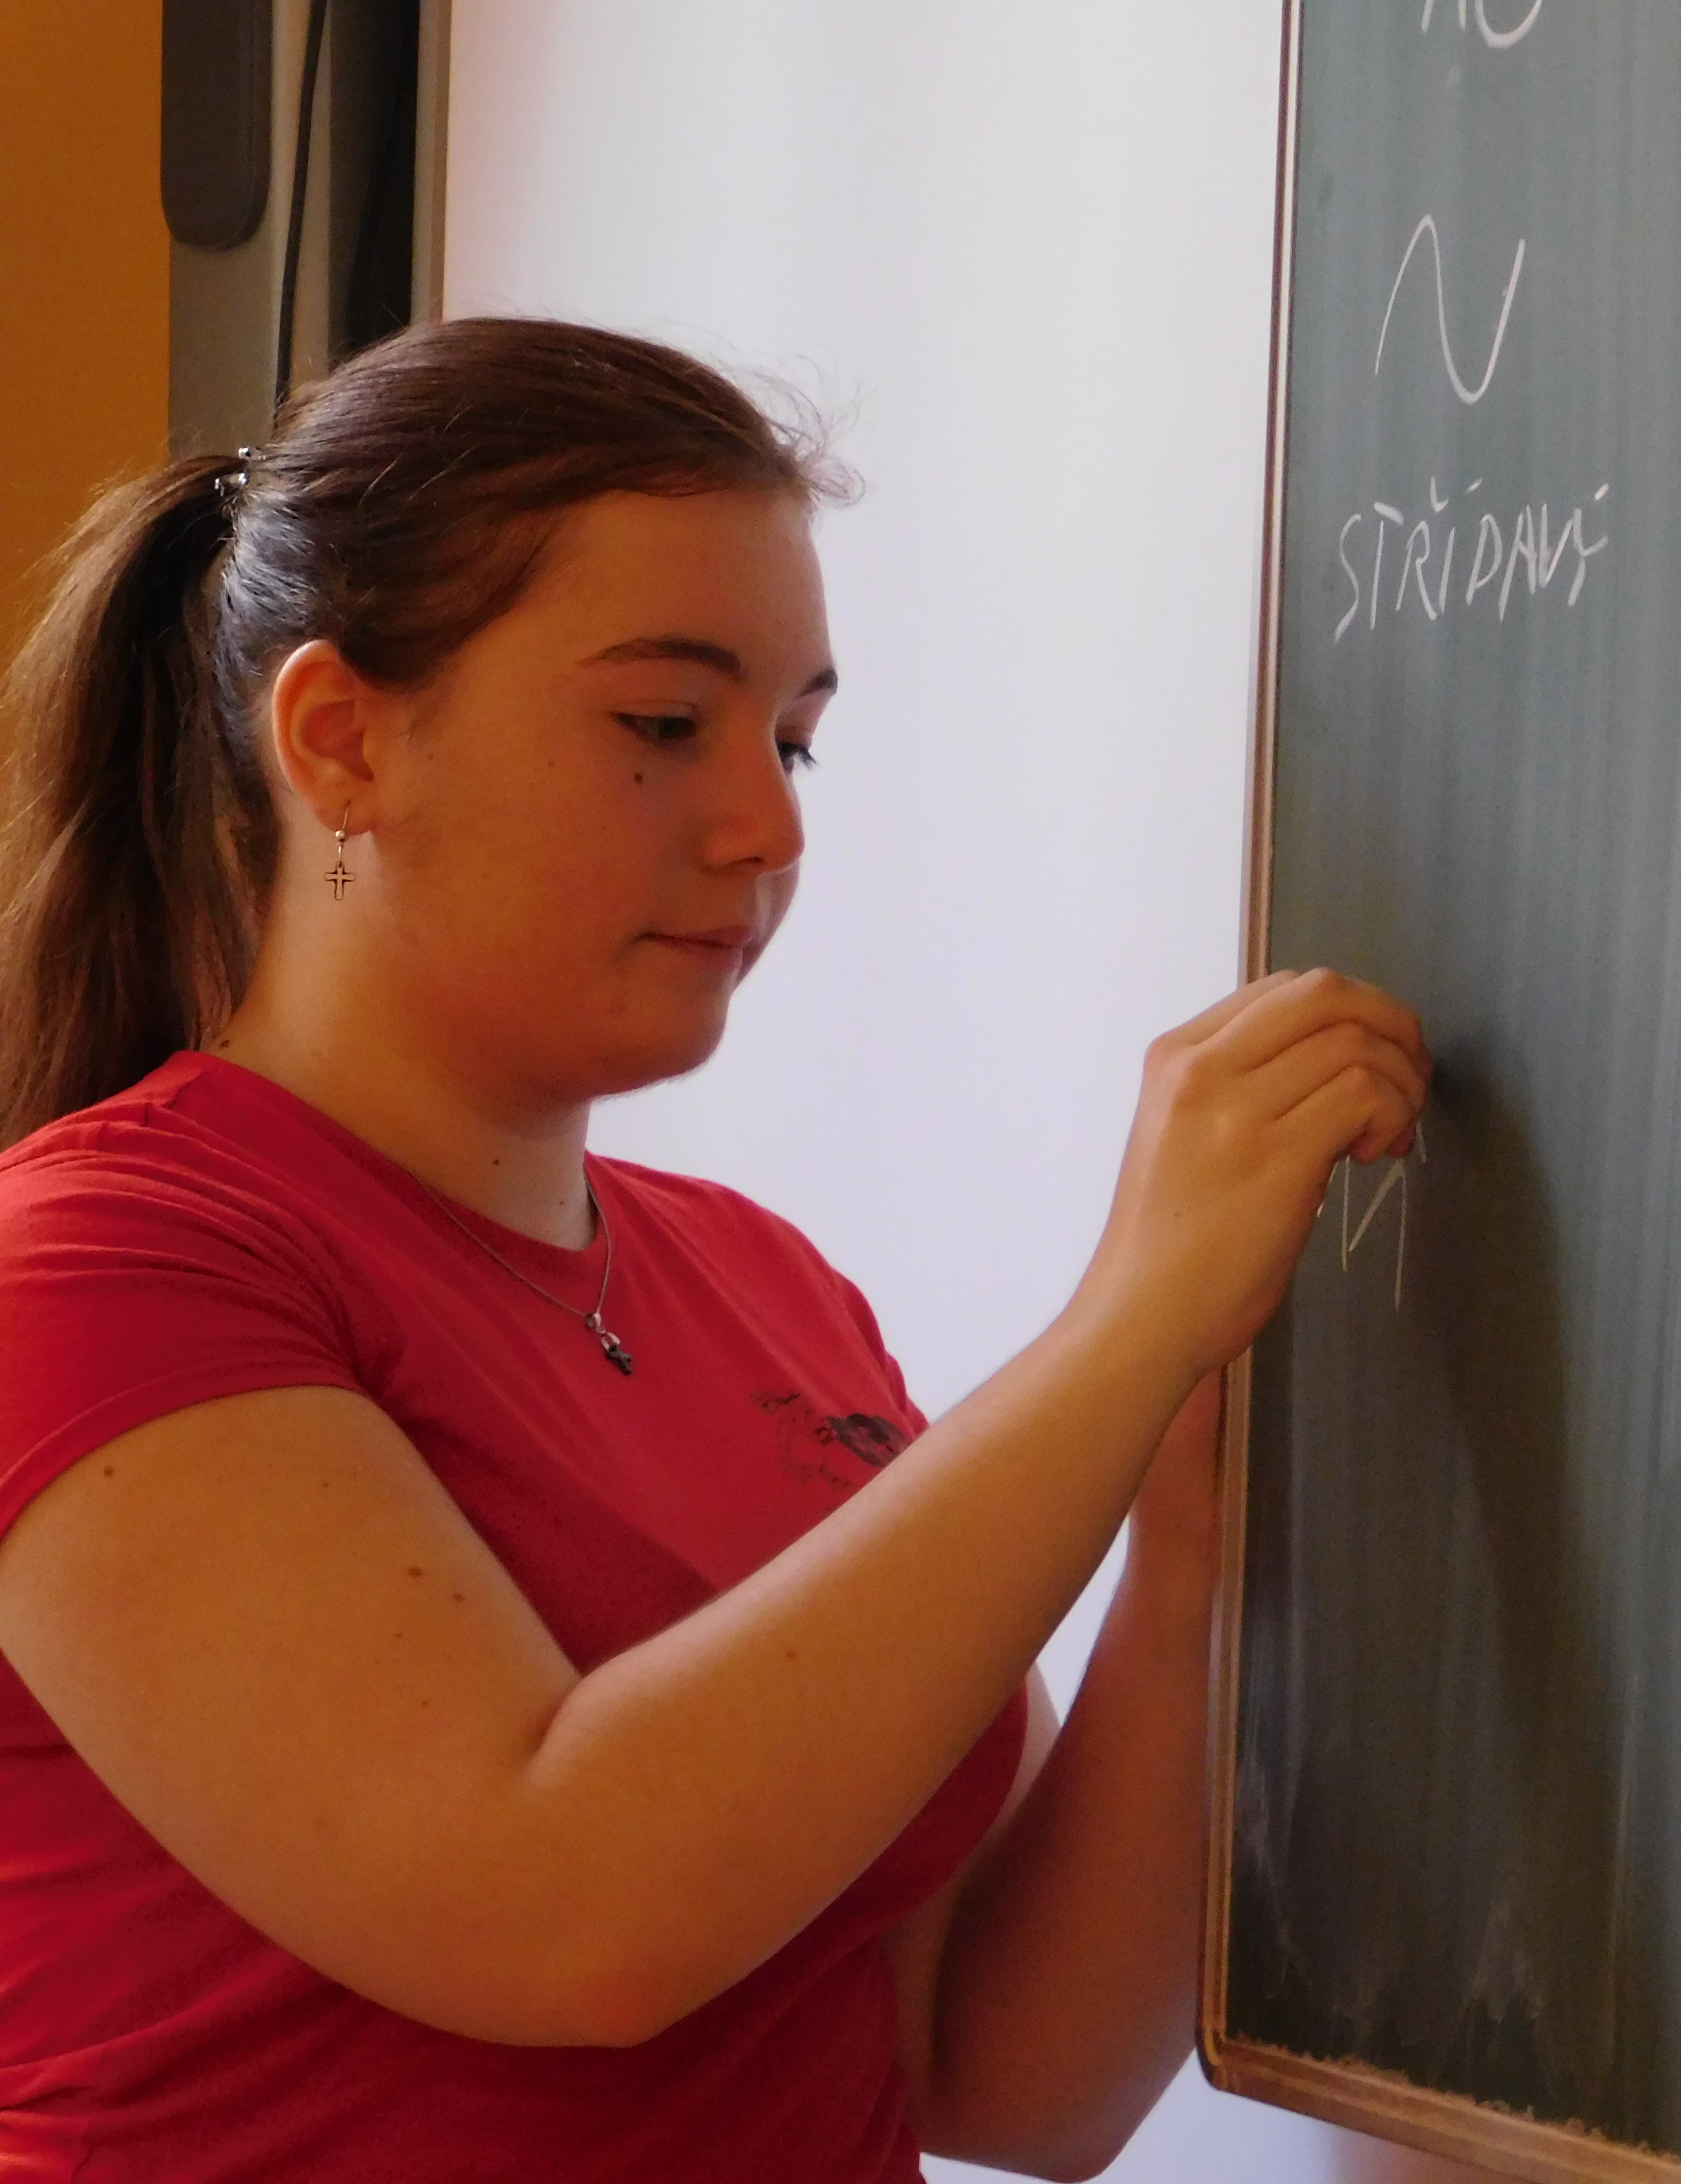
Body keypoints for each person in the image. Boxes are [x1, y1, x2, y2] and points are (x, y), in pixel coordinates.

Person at [0, 317, 1430, 2181]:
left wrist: (1189, 1552)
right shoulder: (100, 1264)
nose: (764, 828)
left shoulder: (768, 1287)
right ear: (340, 740)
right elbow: (561, 1912)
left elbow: (1017, 2076)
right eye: (663, 729)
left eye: (795, 742)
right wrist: (1124, 1328)